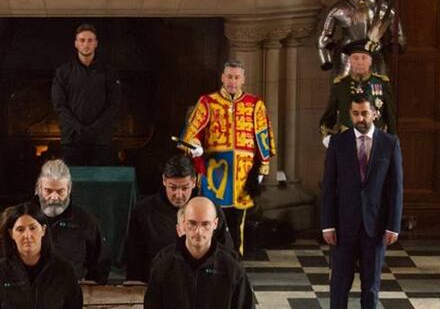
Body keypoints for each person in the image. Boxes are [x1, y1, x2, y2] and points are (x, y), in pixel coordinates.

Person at [320, 94, 403, 309]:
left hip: (375, 228)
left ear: (375, 113)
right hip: (343, 228)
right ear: (350, 114)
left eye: (364, 113)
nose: (360, 119)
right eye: (355, 114)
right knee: (339, 285)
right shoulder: (338, 142)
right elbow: (329, 186)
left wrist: (393, 225)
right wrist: (327, 224)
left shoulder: (390, 144)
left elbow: (396, 188)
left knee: (371, 286)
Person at [181, 60, 275, 255]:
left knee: (237, 224)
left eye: (236, 77)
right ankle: (209, 261)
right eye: (229, 76)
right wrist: (196, 148)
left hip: (243, 173)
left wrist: (263, 167)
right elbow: (190, 135)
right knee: (210, 220)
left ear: (243, 79)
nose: (233, 81)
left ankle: (235, 265)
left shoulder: (255, 104)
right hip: (215, 173)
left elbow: (263, 138)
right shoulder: (207, 102)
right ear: (222, 77)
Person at [124, 154, 234, 283]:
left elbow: (228, 255)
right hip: (158, 285)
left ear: (194, 182)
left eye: (184, 187)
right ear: (164, 180)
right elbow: (134, 260)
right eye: (173, 187)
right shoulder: (143, 212)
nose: (178, 194)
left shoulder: (210, 210)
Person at [51, 23, 121, 166]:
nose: (86, 44)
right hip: (72, 140)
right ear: (76, 44)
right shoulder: (63, 72)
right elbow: (59, 105)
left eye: (90, 40)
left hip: (101, 141)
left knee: (100, 185)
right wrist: (78, 128)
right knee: (71, 185)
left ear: (96, 43)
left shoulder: (109, 72)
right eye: (82, 40)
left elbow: (114, 104)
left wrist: (94, 128)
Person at [34, 158, 109, 284]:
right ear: (39, 188)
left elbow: (100, 263)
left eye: (60, 191)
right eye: (48, 191)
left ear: (69, 189)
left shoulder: (85, 220)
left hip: (71, 292)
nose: (54, 197)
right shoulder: (23, 217)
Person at [320, 41, 397, 140]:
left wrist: (390, 144)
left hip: (376, 142)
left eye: (364, 58)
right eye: (355, 58)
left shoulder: (382, 83)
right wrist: (330, 142)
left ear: (370, 62)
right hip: (347, 142)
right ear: (350, 61)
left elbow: (391, 119)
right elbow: (327, 120)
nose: (360, 62)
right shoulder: (340, 85)